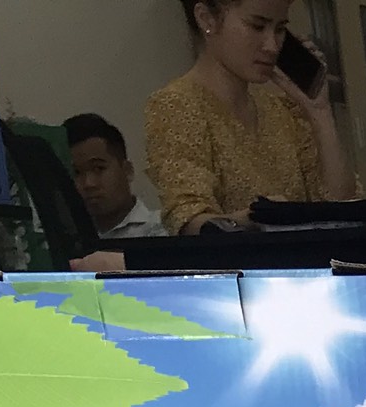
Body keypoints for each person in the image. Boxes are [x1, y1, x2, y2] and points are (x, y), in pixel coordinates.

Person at [143, 0, 354, 235]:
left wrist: (320, 112)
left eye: (280, 29)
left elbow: (343, 209)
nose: (272, 46)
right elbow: (189, 219)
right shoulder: (177, 105)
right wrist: (260, 216)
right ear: (206, 19)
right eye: (257, 26)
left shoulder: (282, 110)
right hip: (237, 258)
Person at [63, 114, 168, 238]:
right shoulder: (62, 239)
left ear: (127, 170)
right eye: (76, 172)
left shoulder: (167, 230)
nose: (88, 184)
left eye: (98, 168)